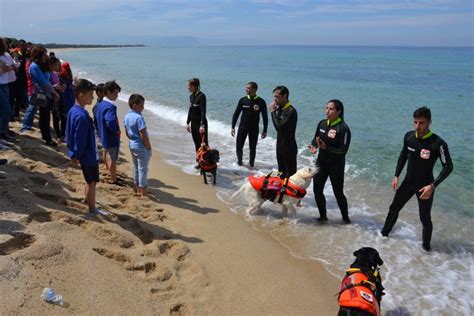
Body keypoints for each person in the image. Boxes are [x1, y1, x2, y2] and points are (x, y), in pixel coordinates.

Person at [381, 106, 453, 251]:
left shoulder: (437, 143)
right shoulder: (409, 137)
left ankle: (426, 249)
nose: (417, 126)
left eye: (421, 123)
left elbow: (448, 167)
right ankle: (383, 236)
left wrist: (432, 186)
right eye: (415, 122)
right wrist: (396, 176)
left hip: (425, 187)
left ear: (429, 122)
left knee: (424, 219)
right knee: (394, 208)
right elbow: (403, 156)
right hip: (408, 183)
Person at [65, 79, 105, 215]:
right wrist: (76, 154)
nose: (93, 97)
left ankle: (89, 201)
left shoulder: (73, 110)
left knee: (89, 181)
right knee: (92, 181)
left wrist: (73, 152)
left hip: (85, 153)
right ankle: (92, 209)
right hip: (87, 155)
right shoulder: (81, 116)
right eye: (90, 95)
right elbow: (78, 139)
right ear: (81, 95)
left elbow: (69, 134)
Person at [308, 99, 351, 223]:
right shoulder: (322, 124)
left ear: (339, 111)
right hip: (321, 162)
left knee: (338, 193)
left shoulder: (343, 128)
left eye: (331, 109)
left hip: (336, 165)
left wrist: (327, 148)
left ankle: (346, 219)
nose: (327, 111)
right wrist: (313, 146)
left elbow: (343, 150)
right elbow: (315, 139)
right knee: (317, 189)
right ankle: (323, 217)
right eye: (326, 108)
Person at [231, 82, 268, 167]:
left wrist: (265, 130)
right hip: (242, 127)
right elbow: (236, 114)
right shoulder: (243, 100)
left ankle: (251, 165)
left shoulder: (261, 101)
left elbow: (265, 117)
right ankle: (239, 163)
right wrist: (233, 127)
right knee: (239, 146)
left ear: (254, 89)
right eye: (246, 88)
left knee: (252, 148)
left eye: (248, 88)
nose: (246, 89)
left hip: (254, 128)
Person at [124, 94, 152, 197]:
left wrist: (132, 139)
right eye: (142, 105)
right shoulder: (139, 118)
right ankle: (143, 192)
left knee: (136, 167)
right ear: (135, 105)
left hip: (132, 144)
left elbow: (127, 132)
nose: (143, 107)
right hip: (141, 146)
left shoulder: (127, 116)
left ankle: (137, 188)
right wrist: (148, 146)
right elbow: (143, 134)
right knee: (143, 169)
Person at [95, 80, 122, 185]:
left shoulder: (101, 104)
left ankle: (109, 172)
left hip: (103, 134)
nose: (117, 96)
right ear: (109, 92)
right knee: (113, 158)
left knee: (106, 153)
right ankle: (113, 179)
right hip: (110, 136)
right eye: (115, 93)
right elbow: (110, 121)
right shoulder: (110, 107)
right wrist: (116, 130)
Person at [269, 85, 297, 178]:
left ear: (285, 96)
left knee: (291, 177)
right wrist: (275, 111)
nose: (275, 100)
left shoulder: (290, 111)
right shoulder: (279, 108)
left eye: (277, 97)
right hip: (280, 146)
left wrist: (272, 112)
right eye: (274, 97)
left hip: (289, 148)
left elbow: (279, 127)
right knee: (281, 175)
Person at [0, 37, 18, 141]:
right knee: (6, 110)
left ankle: (5, 129)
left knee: (5, 109)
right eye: (4, 43)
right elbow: (3, 69)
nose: (7, 44)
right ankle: (2, 131)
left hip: (6, 83)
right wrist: (10, 67)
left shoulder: (6, 55)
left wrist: (8, 67)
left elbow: (15, 65)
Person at [186, 78, 208, 164]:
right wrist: (188, 122)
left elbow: (203, 111)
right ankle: (199, 162)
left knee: (203, 144)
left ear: (194, 86)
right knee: (196, 143)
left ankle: (207, 163)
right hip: (194, 123)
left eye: (189, 86)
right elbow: (190, 110)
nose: (188, 88)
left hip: (201, 123)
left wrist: (202, 125)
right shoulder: (191, 96)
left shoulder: (201, 96)